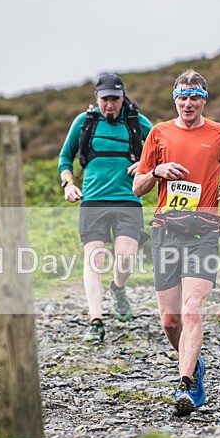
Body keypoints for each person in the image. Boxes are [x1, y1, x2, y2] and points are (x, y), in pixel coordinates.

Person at [133, 69, 220, 416]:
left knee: (193, 308)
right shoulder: (158, 133)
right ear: (174, 99)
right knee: (170, 321)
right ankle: (194, 365)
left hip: (205, 233)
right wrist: (156, 172)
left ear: (204, 99)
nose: (188, 103)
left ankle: (186, 385)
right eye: (182, 96)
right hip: (165, 232)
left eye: (195, 97)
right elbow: (138, 187)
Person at [58, 73, 153, 343]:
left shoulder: (136, 121)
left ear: (123, 98)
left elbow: (162, 146)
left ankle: (118, 289)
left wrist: (146, 165)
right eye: (105, 99)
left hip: (128, 199)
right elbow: (66, 156)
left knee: (125, 257)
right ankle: (96, 321)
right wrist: (67, 183)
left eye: (115, 99)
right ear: (97, 99)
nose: (109, 105)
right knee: (94, 258)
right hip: (93, 200)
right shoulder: (84, 122)